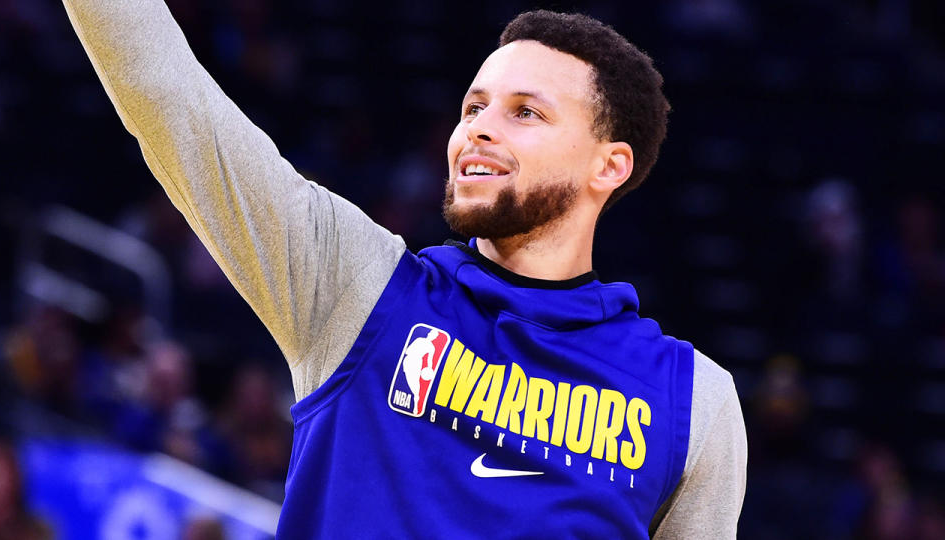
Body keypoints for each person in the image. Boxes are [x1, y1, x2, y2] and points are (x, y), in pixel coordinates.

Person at [62, 1, 747, 537]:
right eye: (473, 107)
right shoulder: (355, 291)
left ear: (609, 165)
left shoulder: (693, 403)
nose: (478, 128)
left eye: (524, 113)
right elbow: (166, 95)